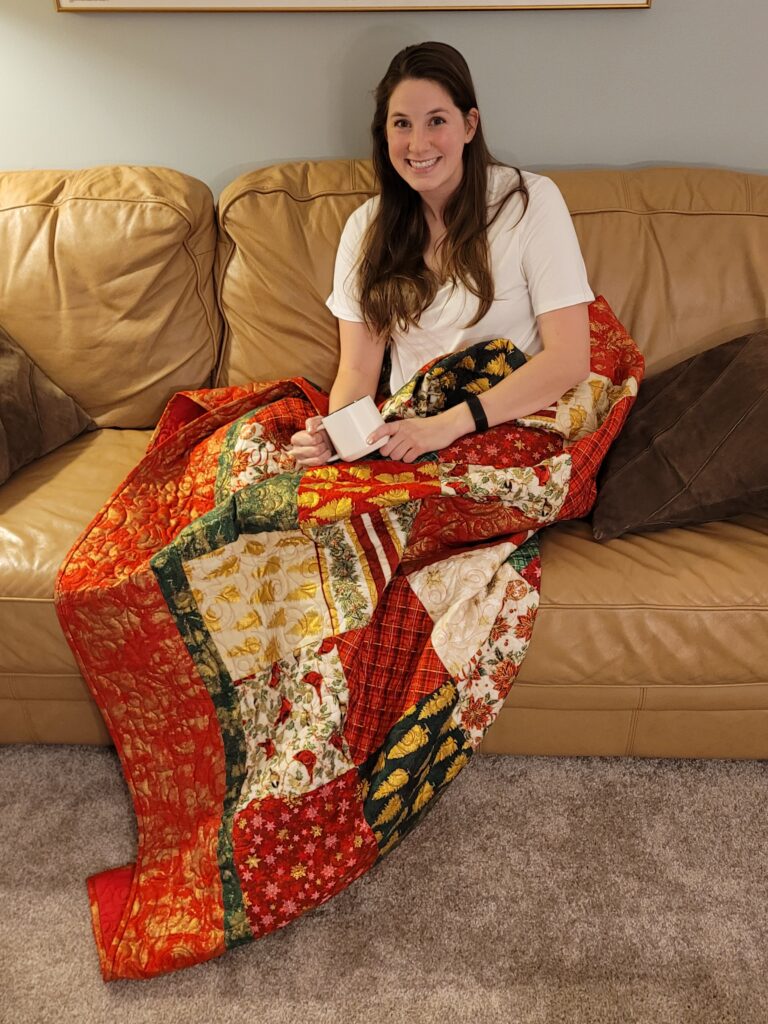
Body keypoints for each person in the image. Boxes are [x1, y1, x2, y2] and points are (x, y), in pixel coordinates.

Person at [290, 40, 594, 467]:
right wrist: (338, 435)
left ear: (470, 125)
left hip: (507, 424)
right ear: (384, 133)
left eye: (436, 121)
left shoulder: (530, 203)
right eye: (401, 124)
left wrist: (448, 425)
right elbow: (358, 372)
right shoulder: (365, 228)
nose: (418, 144)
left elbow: (569, 359)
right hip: (408, 430)